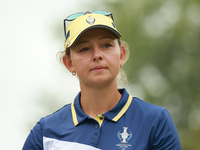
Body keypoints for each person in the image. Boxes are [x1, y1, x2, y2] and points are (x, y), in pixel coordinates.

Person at [23, 10, 182, 150]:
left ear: (121, 55)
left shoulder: (155, 121)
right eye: (84, 49)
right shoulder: (45, 132)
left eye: (106, 45)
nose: (97, 55)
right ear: (69, 63)